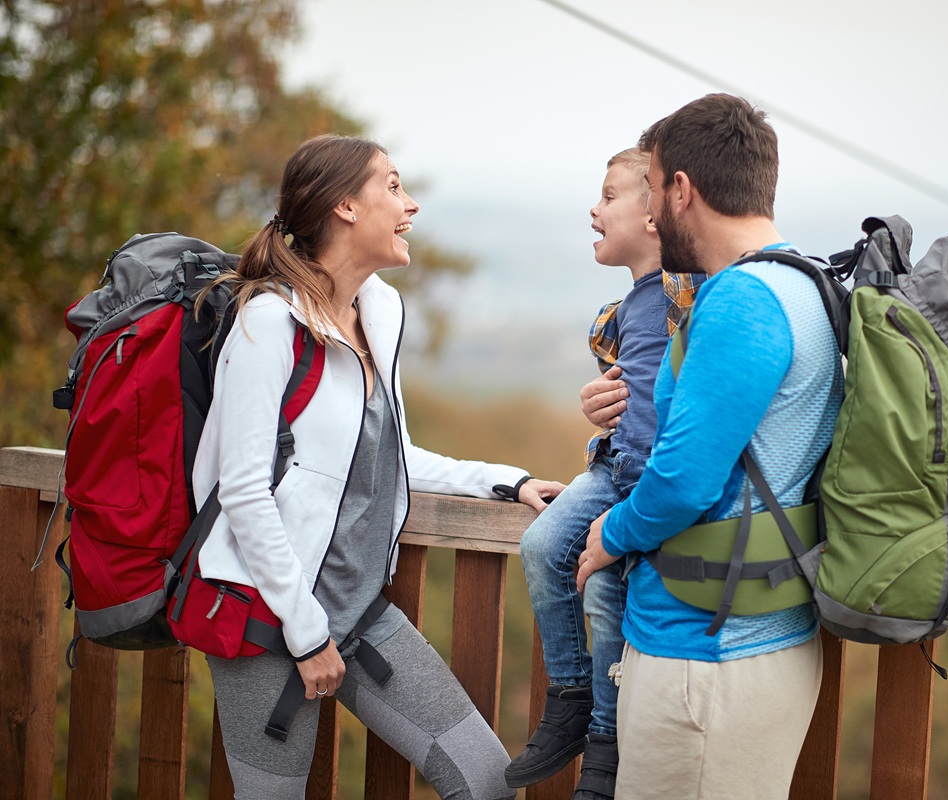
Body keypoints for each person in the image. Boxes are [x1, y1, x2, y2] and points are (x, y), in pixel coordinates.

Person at [192, 133, 563, 799]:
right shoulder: (268, 326)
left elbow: (388, 451)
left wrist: (503, 481)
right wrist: (305, 636)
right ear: (343, 208)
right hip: (264, 616)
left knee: (485, 782)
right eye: (392, 186)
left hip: (357, 611)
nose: (410, 204)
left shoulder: (380, 311)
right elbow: (243, 490)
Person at [575, 94, 844, 798]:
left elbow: (685, 480)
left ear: (682, 190)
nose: (653, 214)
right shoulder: (802, 284)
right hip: (762, 630)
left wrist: (612, 532)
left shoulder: (738, 302)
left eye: (657, 190)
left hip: (705, 656)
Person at [506, 148, 702, 800]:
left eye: (609, 195)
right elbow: (633, 389)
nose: (594, 208)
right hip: (614, 467)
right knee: (539, 545)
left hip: (646, 483)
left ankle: (603, 745)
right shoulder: (630, 308)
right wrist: (602, 397)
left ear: (653, 218)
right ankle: (570, 693)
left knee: (602, 593)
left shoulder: (689, 291)